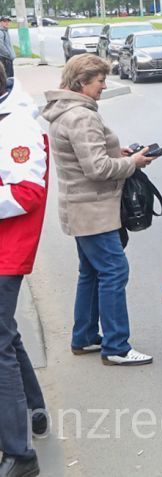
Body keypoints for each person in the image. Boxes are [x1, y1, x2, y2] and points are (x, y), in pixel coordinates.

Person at [42, 55, 157, 367]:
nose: (104, 86)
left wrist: (114, 152)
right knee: (114, 271)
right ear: (82, 83)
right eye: (100, 81)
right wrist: (132, 163)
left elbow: (84, 157)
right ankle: (117, 347)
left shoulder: (65, 112)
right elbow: (96, 168)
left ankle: (85, 337)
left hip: (79, 208)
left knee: (91, 272)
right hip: (93, 211)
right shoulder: (81, 116)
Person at [0, 64, 48, 477]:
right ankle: (33, 408)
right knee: (6, 336)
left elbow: (27, 193)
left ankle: (19, 453)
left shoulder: (16, 126)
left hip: (6, 253)